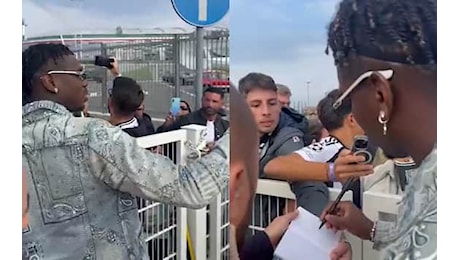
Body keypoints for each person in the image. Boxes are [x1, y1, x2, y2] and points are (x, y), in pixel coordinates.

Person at [22, 43, 229, 259]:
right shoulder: (91, 136)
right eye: (79, 74)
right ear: (50, 81)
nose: (85, 83)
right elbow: (190, 188)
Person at [321, 0, 436, 258]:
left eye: (347, 100)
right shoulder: (427, 174)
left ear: (379, 94)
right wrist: (371, 230)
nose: (355, 116)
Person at [229, 86, 350, 260]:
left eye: (272, 103)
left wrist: (307, 238)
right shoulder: (234, 134)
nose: (266, 112)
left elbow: (309, 185)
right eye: (256, 105)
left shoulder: (288, 139)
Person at [265, 89, 367, 208]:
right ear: (352, 119)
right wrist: (332, 171)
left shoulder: (361, 148)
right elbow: (274, 166)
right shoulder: (329, 146)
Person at [157, 87, 229, 144]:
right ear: (202, 100)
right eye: (207, 100)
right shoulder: (188, 120)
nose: (210, 105)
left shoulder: (225, 125)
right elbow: (166, 137)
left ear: (221, 104)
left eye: (214, 101)